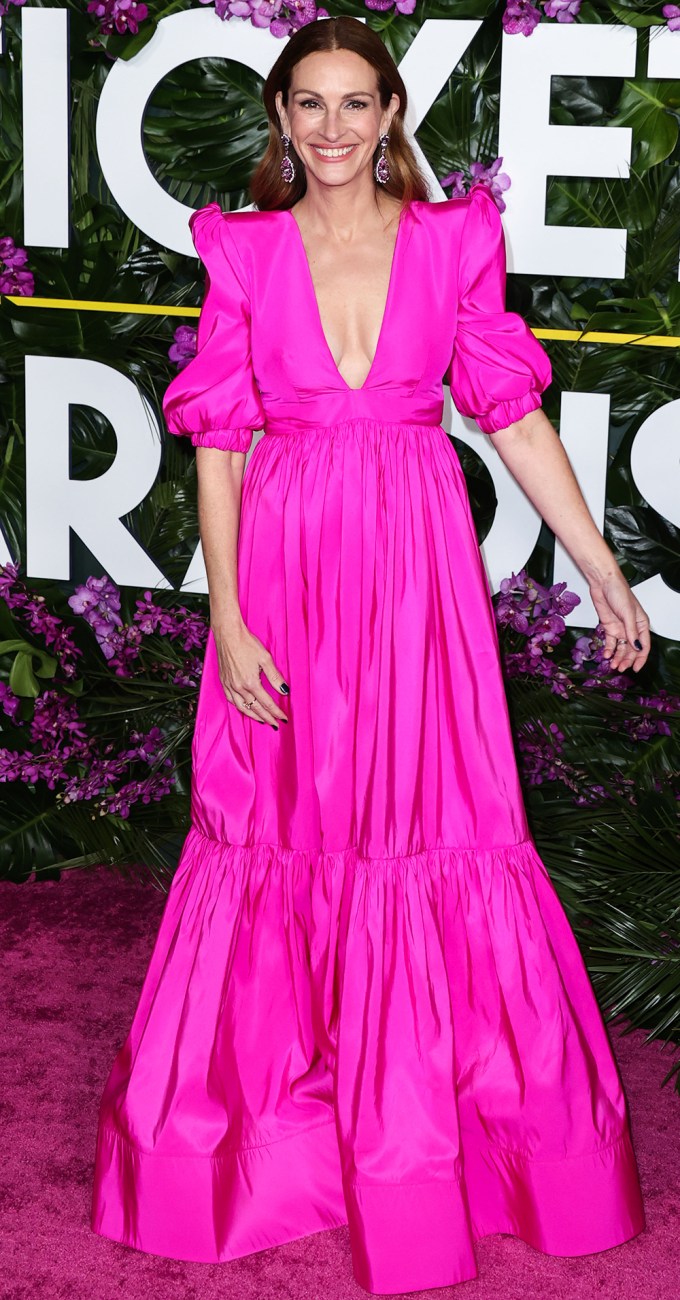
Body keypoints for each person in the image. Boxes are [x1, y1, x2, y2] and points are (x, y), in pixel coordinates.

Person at [91, 15, 649, 1295]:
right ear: (280, 120)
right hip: (284, 577)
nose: (332, 127)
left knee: (432, 826)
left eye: (355, 103)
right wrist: (229, 616)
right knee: (278, 825)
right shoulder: (241, 249)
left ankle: (451, 1145)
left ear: (391, 113)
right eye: (309, 103)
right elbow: (218, 447)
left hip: (414, 582)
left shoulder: (455, 240)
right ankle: (268, 1140)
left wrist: (601, 566)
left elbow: (511, 419)